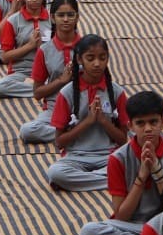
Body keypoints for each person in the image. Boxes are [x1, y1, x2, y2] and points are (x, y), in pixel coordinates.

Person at [78, 91, 163, 235]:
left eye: (153, 122)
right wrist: (142, 176)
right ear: (130, 126)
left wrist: (157, 171)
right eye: (140, 123)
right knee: (89, 232)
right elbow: (121, 216)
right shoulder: (118, 159)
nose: (148, 129)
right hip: (132, 227)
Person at [46, 35, 129, 192]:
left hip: (108, 156)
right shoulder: (67, 93)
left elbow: (123, 140)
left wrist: (103, 121)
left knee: (131, 167)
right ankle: (110, 180)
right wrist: (88, 121)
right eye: (90, 58)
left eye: (102, 58)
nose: (97, 63)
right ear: (79, 59)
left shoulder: (117, 92)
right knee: (56, 173)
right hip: (76, 157)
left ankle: (85, 180)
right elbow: (60, 142)